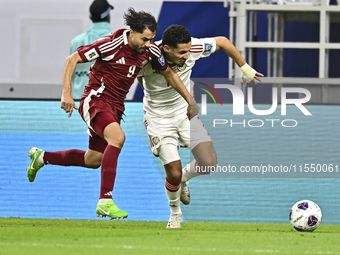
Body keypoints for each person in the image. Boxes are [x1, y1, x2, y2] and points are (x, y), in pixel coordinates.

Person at [26, 9, 199, 220]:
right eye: (145, 39)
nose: (148, 43)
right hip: (96, 101)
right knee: (117, 137)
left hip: (116, 107)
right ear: (132, 32)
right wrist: (66, 94)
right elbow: (71, 60)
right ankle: (105, 201)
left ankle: (42, 157)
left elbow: (170, 74)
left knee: (93, 159)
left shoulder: (150, 51)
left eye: (151, 39)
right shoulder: (109, 45)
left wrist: (189, 100)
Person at [138, 24, 263, 228]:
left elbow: (222, 41)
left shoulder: (193, 48)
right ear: (167, 48)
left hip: (185, 112)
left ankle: (184, 180)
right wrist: (151, 96)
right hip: (158, 118)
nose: (187, 56)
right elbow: (136, 75)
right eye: (182, 52)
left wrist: (244, 66)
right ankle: (175, 215)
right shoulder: (146, 57)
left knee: (208, 163)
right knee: (174, 172)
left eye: (188, 50)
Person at [70, 0, 114, 99]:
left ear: (90, 17)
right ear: (108, 16)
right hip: (109, 104)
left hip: (79, 101)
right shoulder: (117, 42)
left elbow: (70, 73)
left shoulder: (76, 42)